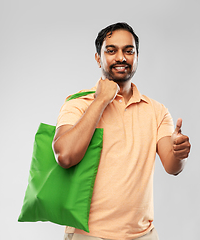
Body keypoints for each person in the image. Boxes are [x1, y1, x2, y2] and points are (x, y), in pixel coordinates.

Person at [52, 22, 191, 240]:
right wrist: (101, 100)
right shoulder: (78, 104)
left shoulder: (156, 110)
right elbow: (65, 155)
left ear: (137, 57)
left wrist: (179, 152)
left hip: (143, 235)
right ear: (98, 58)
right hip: (89, 235)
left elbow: (172, 167)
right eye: (111, 50)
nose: (121, 57)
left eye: (129, 51)